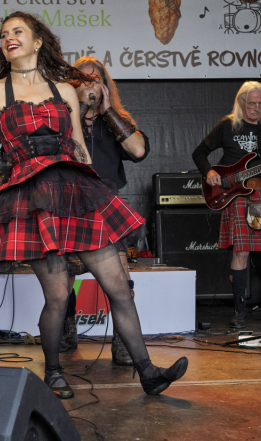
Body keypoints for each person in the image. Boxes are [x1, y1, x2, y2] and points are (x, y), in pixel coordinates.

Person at [0, 11, 187, 399]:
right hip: (32, 197)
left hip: (75, 191)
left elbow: (79, 148)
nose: (9, 37)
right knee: (58, 295)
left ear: (38, 41)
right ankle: (53, 372)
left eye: (18, 31)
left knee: (120, 287)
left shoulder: (64, 90)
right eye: (4, 34)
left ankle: (148, 372)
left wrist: (95, 192)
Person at [60, 56, 151, 366]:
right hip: (69, 205)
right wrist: (78, 108)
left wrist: (109, 110)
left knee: (120, 279)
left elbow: (138, 150)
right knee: (62, 279)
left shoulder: (115, 123)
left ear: (105, 87)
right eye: (83, 79)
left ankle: (123, 342)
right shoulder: (63, 119)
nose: (89, 85)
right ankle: (66, 330)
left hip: (106, 207)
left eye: (95, 80)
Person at [192, 81, 261, 330]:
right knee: (241, 252)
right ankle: (239, 313)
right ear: (241, 102)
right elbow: (199, 152)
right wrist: (210, 172)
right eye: (252, 104)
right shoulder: (228, 125)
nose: (257, 108)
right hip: (236, 194)